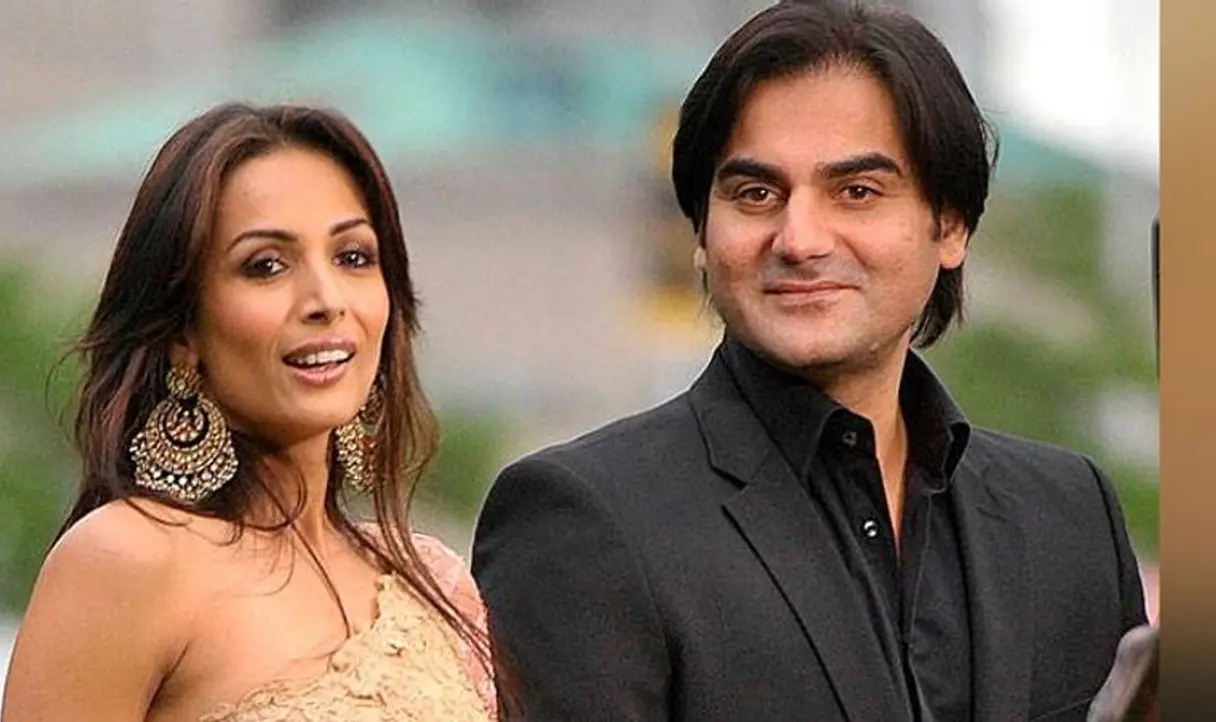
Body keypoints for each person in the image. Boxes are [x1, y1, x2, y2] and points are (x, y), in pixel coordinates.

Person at [471, 2, 1149, 720]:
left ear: (951, 225)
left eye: (856, 192)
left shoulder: (1069, 514)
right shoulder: (583, 520)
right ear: (701, 232)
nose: (799, 239)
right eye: (756, 194)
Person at [1, 103, 500, 721]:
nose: (326, 300)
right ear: (182, 331)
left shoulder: (435, 585)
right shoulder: (128, 560)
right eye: (266, 266)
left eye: (353, 257)